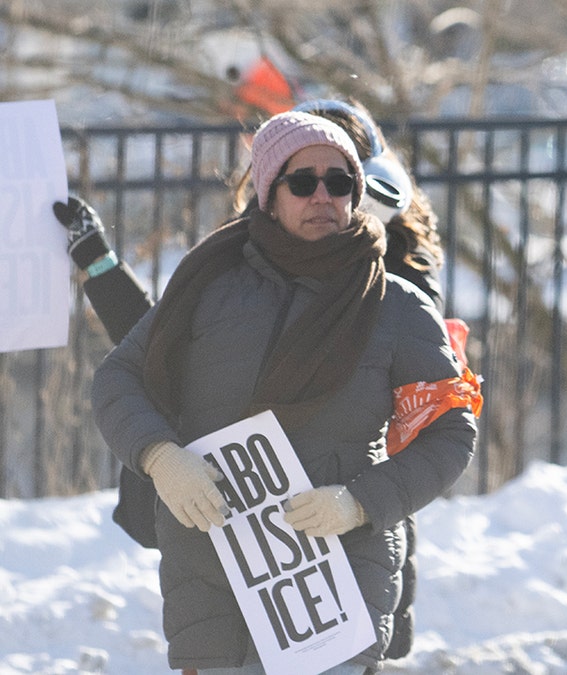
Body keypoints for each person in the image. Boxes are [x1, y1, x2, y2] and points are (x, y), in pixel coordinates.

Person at [55, 98, 448, 661]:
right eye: (301, 179)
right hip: (218, 566)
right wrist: (161, 457)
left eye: (338, 180)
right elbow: (154, 355)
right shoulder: (219, 271)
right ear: (268, 186)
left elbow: (442, 428)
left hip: (340, 560)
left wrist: (360, 504)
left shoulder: (394, 291)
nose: (322, 195)